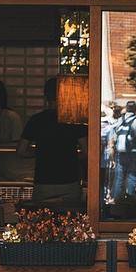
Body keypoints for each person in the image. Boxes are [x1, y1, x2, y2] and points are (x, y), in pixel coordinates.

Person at [17, 78, 87, 210]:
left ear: (46, 97)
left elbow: (21, 151)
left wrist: (39, 153)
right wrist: (69, 157)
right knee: (70, 224)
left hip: (44, 182)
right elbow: (87, 151)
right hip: (69, 181)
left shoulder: (36, 120)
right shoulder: (73, 120)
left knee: (43, 224)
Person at [111, 100, 136, 200]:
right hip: (133, 153)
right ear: (135, 109)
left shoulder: (120, 120)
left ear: (126, 108)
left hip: (121, 153)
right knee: (132, 176)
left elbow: (114, 137)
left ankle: (117, 200)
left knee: (119, 177)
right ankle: (131, 199)